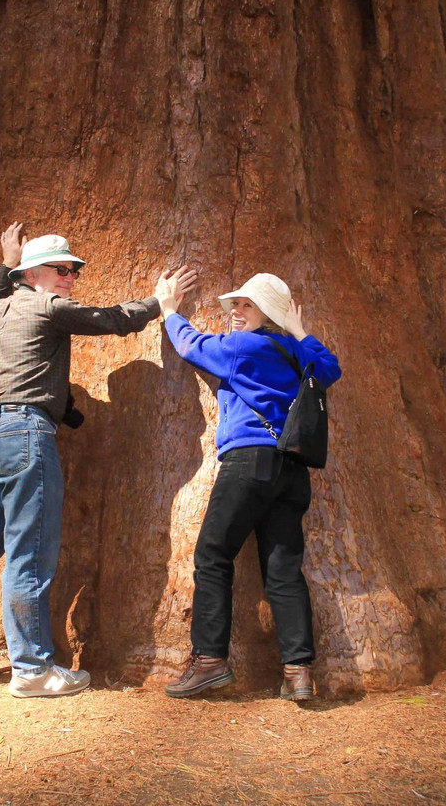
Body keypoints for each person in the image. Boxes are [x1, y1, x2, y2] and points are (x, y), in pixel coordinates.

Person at [0, 223, 197, 697]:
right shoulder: (46, 305)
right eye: (61, 269)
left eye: (74, 269)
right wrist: (161, 302)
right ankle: (31, 669)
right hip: (29, 436)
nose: (71, 276)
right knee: (29, 552)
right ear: (34, 275)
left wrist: (5, 262)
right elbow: (111, 319)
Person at [159, 272, 341, 701]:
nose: (236, 313)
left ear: (267, 315)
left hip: (249, 463)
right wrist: (300, 332)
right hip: (292, 471)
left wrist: (169, 310)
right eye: (235, 305)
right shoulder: (298, 354)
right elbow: (329, 368)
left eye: (247, 306)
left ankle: (209, 662)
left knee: (212, 555)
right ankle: (298, 672)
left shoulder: (244, 347)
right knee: (282, 571)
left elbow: (192, 346)